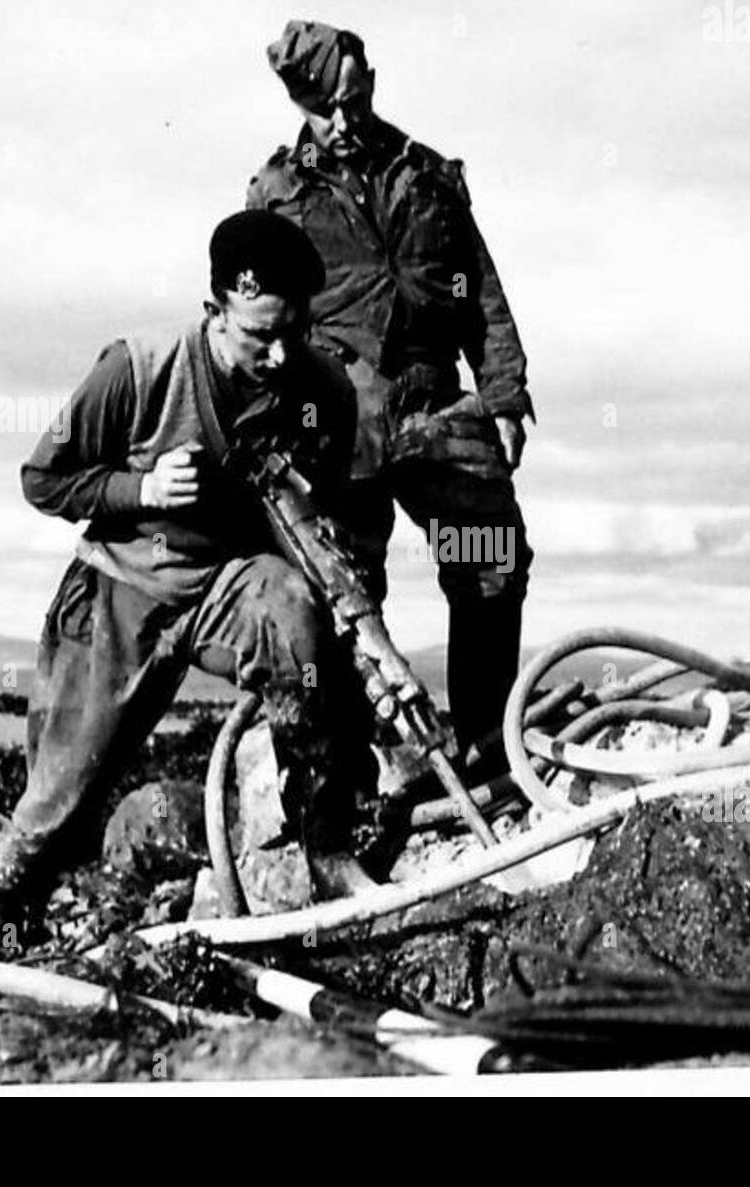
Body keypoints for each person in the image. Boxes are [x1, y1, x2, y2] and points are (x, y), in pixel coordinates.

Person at [0, 210, 378, 957]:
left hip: (227, 584)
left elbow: (330, 527)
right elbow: (43, 479)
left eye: (295, 331)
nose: (281, 355)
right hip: (124, 585)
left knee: (292, 611)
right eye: (259, 335)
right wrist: (140, 489)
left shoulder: (324, 391)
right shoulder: (139, 366)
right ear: (215, 310)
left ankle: (328, 850)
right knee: (62, 796)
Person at [247, 20, 534, 757]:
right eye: (322, 110)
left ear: (369, 79)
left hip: (438, 407)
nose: (342, 122)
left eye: (351, 99)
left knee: (490, 559)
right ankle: (372, 775)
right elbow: (251, 320)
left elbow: (482, 293)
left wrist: (503, 393)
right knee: (347, 595)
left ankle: (486, 744)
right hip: (339, 424)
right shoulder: (275, 196)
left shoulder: (427, 176)